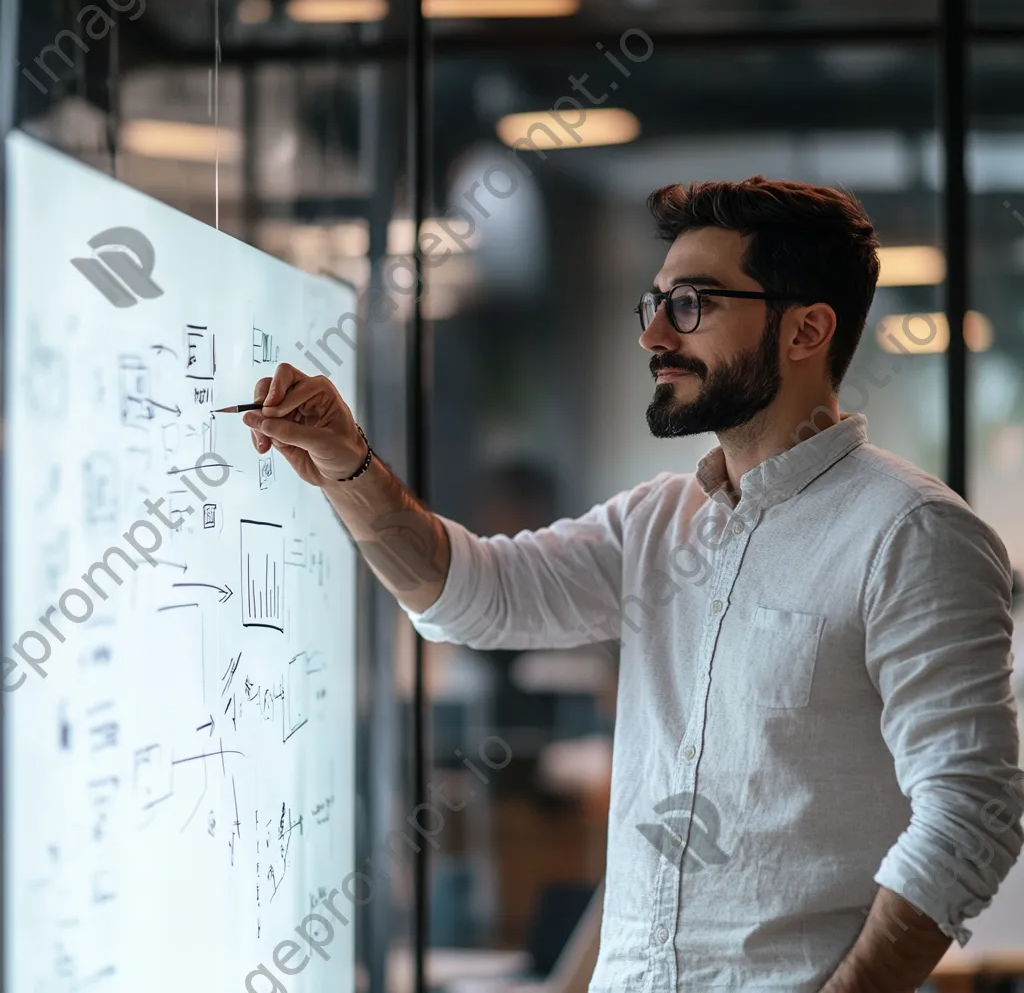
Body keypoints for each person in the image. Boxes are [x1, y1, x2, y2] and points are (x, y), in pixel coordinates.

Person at [242, 175, 1023, 993]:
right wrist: (345, 462)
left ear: (807, 330)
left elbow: (972, 812)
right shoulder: (656, 522)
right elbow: (467, 597)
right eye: (652, 303)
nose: (654, 333)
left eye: (691, 304)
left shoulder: (912, 532)